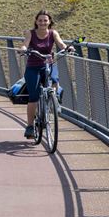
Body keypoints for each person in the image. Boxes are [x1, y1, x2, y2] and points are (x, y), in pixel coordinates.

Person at [19, 10, 73, 139]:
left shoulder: (53, 33)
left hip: (48, 64)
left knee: (54, 79)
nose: (43, 22)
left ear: (49, 22)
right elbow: (25, 44)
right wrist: (23, 50)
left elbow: (60, 43)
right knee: (34, 96)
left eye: (45, 20)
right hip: (33, 67)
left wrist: (67, 48)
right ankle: (30, 126)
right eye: (40, 20)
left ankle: (54, 101)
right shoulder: (30, 33)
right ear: (36, 22)